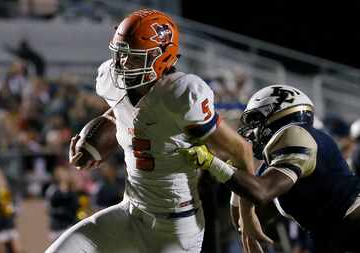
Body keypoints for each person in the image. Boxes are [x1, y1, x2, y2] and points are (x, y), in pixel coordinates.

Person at [45, 8, 270, 253]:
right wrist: (92, 140)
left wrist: (246, 214)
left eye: (132, 58)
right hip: (131, 212)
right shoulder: (113, 81)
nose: (122, 64)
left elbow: (240, 150)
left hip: (175, 231)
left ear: (162, 56)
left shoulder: (180, 95)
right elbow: (123, 111)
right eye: (120, 55)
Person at [181, 84, 360, 253]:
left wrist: (212, 162)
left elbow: (262, 191)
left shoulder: (296, 134)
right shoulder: (272, 164)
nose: (250, 130)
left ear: (279, 112)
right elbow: (241, 221)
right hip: (335, 238)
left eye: (255, 120)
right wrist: (239, 167)